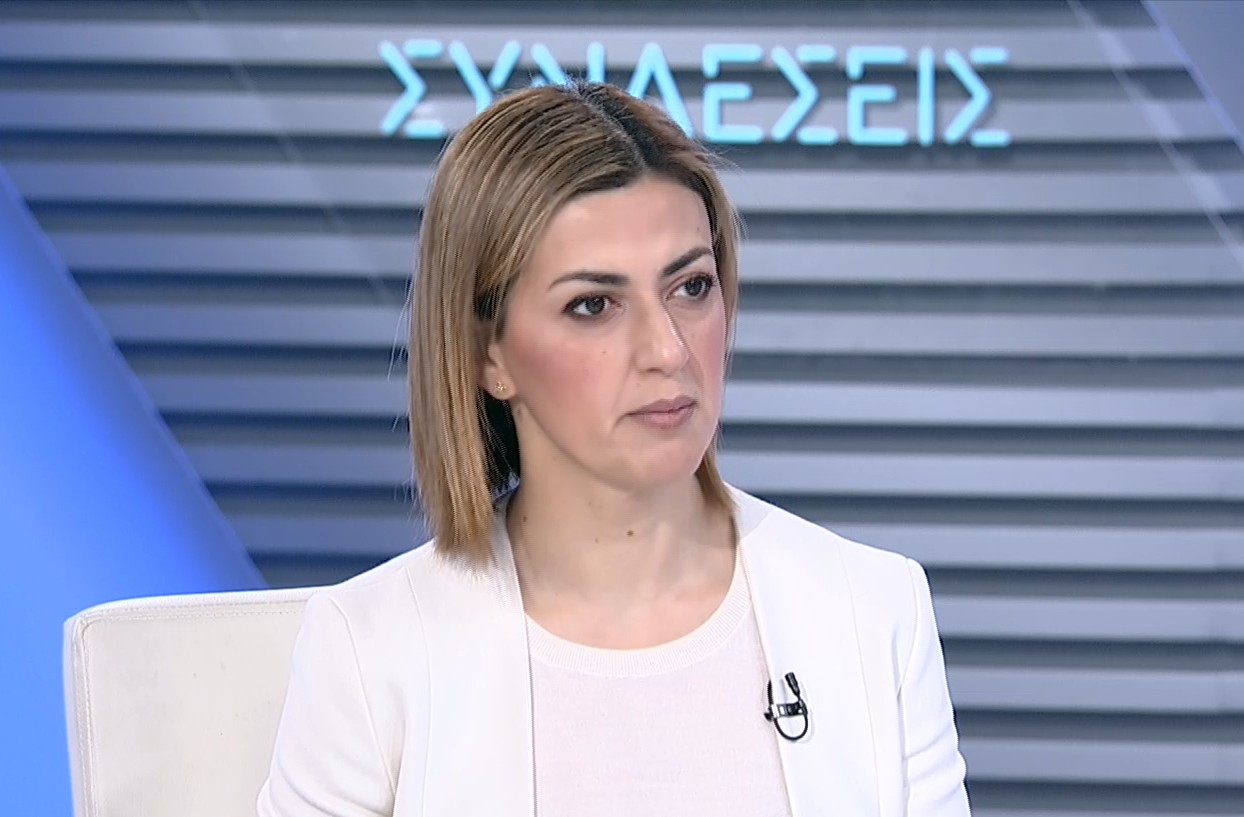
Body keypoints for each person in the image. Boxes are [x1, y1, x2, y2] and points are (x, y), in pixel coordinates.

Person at [257, 80, 970, 817]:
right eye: (593, 305)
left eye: (691, 287)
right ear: (486, 353)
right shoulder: (370, 652)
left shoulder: (872, 611)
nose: (668, 350)